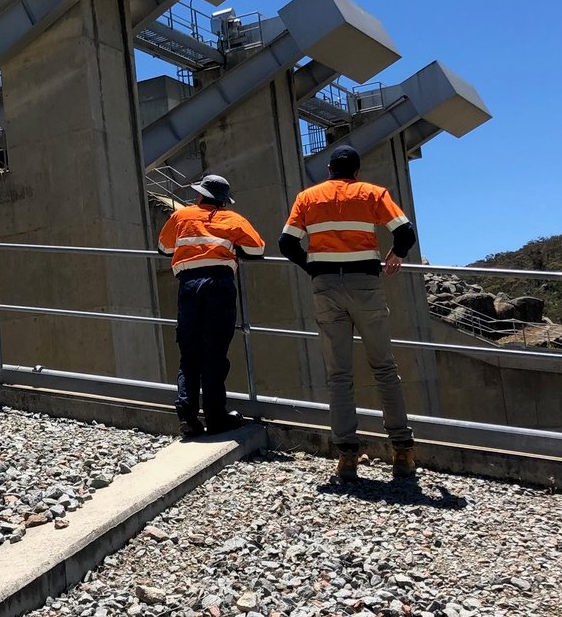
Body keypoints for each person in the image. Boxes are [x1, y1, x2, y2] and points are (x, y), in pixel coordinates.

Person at [278, 144, 418, 480]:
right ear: (356, 172)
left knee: (338, 375)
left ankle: (347, 456)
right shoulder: (372, 193)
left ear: (329, 170)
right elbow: (404, 232)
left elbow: (286, 243)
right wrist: (395, 254)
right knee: (384, 367)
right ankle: (401, 451)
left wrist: (313, 268)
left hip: (326, 287)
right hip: (365, 285)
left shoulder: (307, 197)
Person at [158, 173, 265, 438]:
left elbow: (163, 247)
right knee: (214, 351)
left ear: (199, 195)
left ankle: (187, 416)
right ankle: (216, 416)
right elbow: (256, 249)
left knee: (189, 352)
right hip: (219, 285)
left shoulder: (182, 217)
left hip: (189, 285)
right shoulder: (234, 219)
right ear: (223, 201)